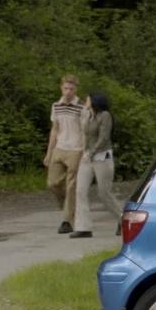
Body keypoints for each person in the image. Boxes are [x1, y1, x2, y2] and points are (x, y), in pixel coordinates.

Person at [71, 93, 124, 239]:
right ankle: (83, 227)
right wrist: (85, 152)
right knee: (80, 191)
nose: (85, 101)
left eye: (88, 99)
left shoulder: (105, 115)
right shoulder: (89, 115)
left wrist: (92, 152)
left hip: (102, 157)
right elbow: (85, 135)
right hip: (87, 157)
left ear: (94, 101)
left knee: (104, 193)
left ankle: (123, 219)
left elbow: (104, 137)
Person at [44, 75, 84, 234]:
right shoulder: (56, 105)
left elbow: (84, 130)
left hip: (76, 148)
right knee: (53, 183)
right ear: (61, 88)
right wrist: (49, 152)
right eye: (66, 88)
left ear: (76, 90)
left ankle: (67, 220)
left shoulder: (81, 107)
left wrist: (84, 151)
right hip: (60, 147)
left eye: (71, 89)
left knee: (71, 184)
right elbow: (55, 129)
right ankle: (67, 204)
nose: (68, 92)